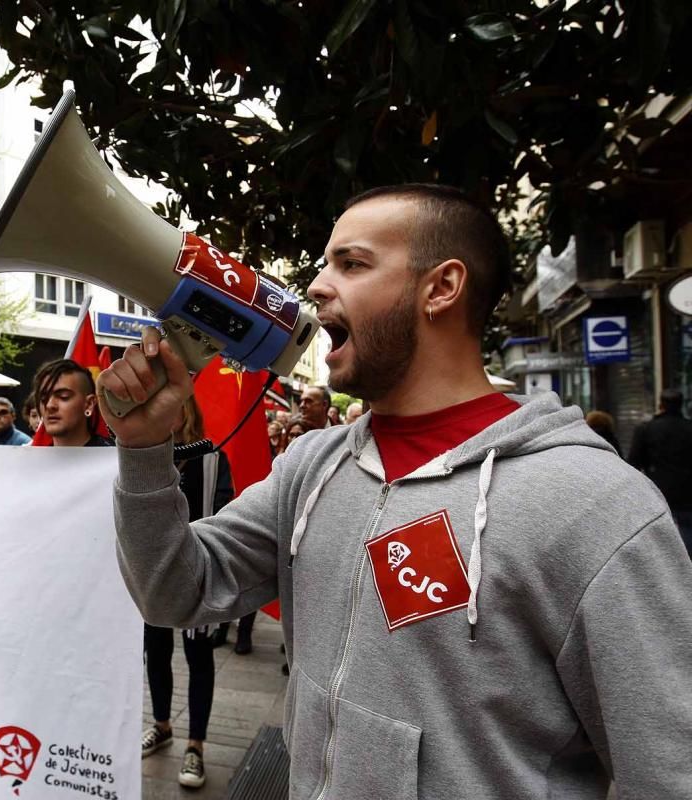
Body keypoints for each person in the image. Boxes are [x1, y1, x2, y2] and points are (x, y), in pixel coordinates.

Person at [99, 183, 692, 798]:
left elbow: (668, 769)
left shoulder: (595, 504)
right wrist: (143, 450)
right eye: (325, 265)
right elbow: (174, 592)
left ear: (442, 287)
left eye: (352, 264)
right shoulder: (310, 465)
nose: (317, 287)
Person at [141, 395, 233, 790]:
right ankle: (162, 724)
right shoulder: (144, 456)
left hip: (197, 577)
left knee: (199, 658)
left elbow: (225, 508)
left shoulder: (211, 457)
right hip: (154, 578)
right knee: (156, 653)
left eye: (172, 405)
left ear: (189, 411)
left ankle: (195, 744)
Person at [629, 388, 692, 555]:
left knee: (662, 532)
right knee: (687, 530)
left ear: (661, 404)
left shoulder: (646, 429)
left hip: (658, 489)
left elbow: (634, 461)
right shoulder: (689, 428)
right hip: (688, 491)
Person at [31, 359, 111, 447]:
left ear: (89, 404)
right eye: (43, 398)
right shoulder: (32, 458)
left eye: (63, 396)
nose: (50, 405)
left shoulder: (115, 457)